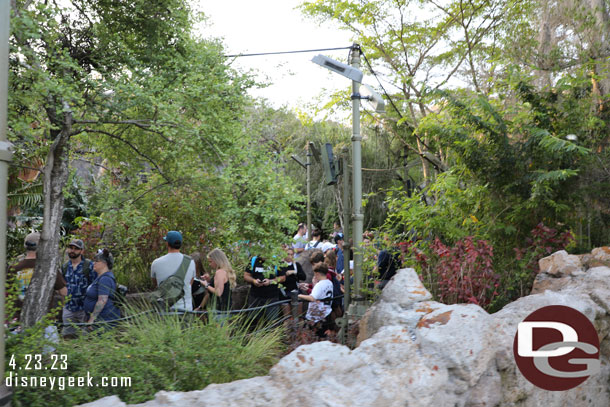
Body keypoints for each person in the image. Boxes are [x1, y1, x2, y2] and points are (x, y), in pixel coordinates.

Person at [8, 232, 67, 322]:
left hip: (19, 320)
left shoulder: (14, 268)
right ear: (42, 246)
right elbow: (64, 292)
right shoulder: (49, 267)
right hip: (44, 321)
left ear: (25, 245)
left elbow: (7, 294)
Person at [151, 231, 196, 311]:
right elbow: (190, 283)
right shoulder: (190, 262)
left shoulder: (156, 263)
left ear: (167, 244)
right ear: (181, 244)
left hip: (164, 309)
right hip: (185, 310)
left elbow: (155, 285)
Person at [62, 239, 95, 337]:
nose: (72, 250)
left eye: (76, 249)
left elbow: (95, 286)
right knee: (67, 338)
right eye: (71, 248)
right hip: (69, 308)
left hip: (84, 310)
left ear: (82, 251)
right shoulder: (64, 267)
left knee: (86, 338)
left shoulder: (89, 266)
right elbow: (62, 287)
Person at [85, 249, 120, 330]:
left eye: (97, 261)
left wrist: (91, 320)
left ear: (104, 263)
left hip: (104, 321)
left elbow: (102, 301)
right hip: (99, 321)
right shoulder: (100, 277)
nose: (94, 263)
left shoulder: (105, 279)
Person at [244, 255, 285, 323]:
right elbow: (246, 275)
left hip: (272, 297)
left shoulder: (277, 260)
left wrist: (270, 281)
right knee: (254, 321)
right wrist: (254, 281)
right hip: (255, 296)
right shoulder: (254, 260)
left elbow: (283, 277)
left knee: (272, 321)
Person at [298, 263, 334, 337]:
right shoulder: (329, 282)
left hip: (316, 316)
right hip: (326, 312)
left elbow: (312, 298)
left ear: (317, 273)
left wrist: (299, 295)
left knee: (309, 336)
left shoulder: (319, 284)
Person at [278, 247, 306, 321]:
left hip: (295, 291)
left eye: (292, 254)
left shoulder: (296, 265)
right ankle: (288, 332)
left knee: (299, 316)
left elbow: (303, 277)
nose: (290, 256)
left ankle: (299, 332)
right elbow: (281, 279)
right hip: (284, 292)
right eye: (288, 254)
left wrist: (294, 272)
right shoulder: (280, 265)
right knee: (287, 318)